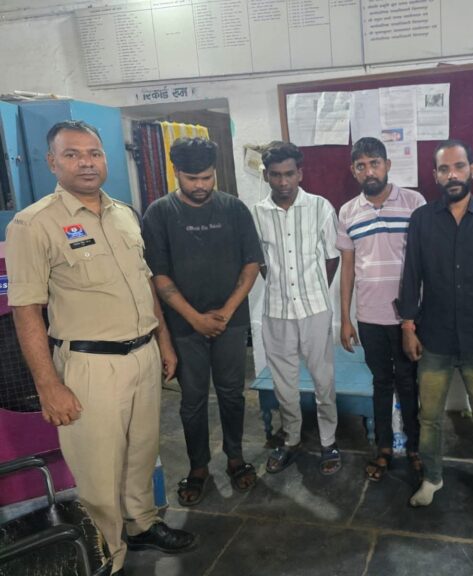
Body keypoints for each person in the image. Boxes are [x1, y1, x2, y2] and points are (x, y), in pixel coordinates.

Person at [5, 121, 196, 576]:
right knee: (98, 470)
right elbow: (26, 310)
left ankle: (142, 523)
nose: (86, 162)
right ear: (52, 162)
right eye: (72, 154)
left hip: (143, 355)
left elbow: (144, 283)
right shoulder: (32, 224)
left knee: (141, 451)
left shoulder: (124, 214)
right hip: (90, 365)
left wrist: (163, 341)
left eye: (94, 152)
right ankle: (110, 555)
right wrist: (48, 385)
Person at [398, 139, 473, 510]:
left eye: (459, 166)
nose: (452, 175)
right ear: (435, 175)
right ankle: (432, 477)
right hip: (433, 336)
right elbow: (411, 275)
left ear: (472, 169)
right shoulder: (422, 219)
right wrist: (407, 326)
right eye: (444, 169)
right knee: (429, 417)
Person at [142, 137, 262, 506]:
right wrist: (195, 318)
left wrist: (225, 312)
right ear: (176, 172)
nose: (200, 185)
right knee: (192, 400)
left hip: (230, 323)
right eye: (192, 178)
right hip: (184, 327)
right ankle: (198, 467)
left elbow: (251, 263)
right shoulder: (159, 214)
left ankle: (235, 457)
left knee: (232, 394)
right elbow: (158, 275)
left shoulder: (234, 209)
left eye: (207, 177)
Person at [337, 137, 425, 481]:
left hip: (407, 317)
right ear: (353, 171)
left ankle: (415, 447)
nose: (369, 171)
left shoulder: (414, 202)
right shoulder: (348, 211)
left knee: (409, 381)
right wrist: (345, 319)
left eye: (374, 163)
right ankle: (384, 448)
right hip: (369, 316)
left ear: (387, 165)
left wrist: (417, 315)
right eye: (361, 165)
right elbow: (347, 268)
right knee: (381, 382)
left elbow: (424, 261)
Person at [252, 141, 342, 475]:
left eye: (289, 173)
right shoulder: (256, 213)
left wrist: (315, 290)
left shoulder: (320, 207)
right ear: (266, 175)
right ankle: (291, 439)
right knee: (284, 384)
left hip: (315, 309)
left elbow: (332, 257)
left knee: (323, 379)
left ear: (300, 173)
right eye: (276, 175)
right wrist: (280, 287)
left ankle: (328, 441)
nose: (283, 181)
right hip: (276, 311)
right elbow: (260, 261)